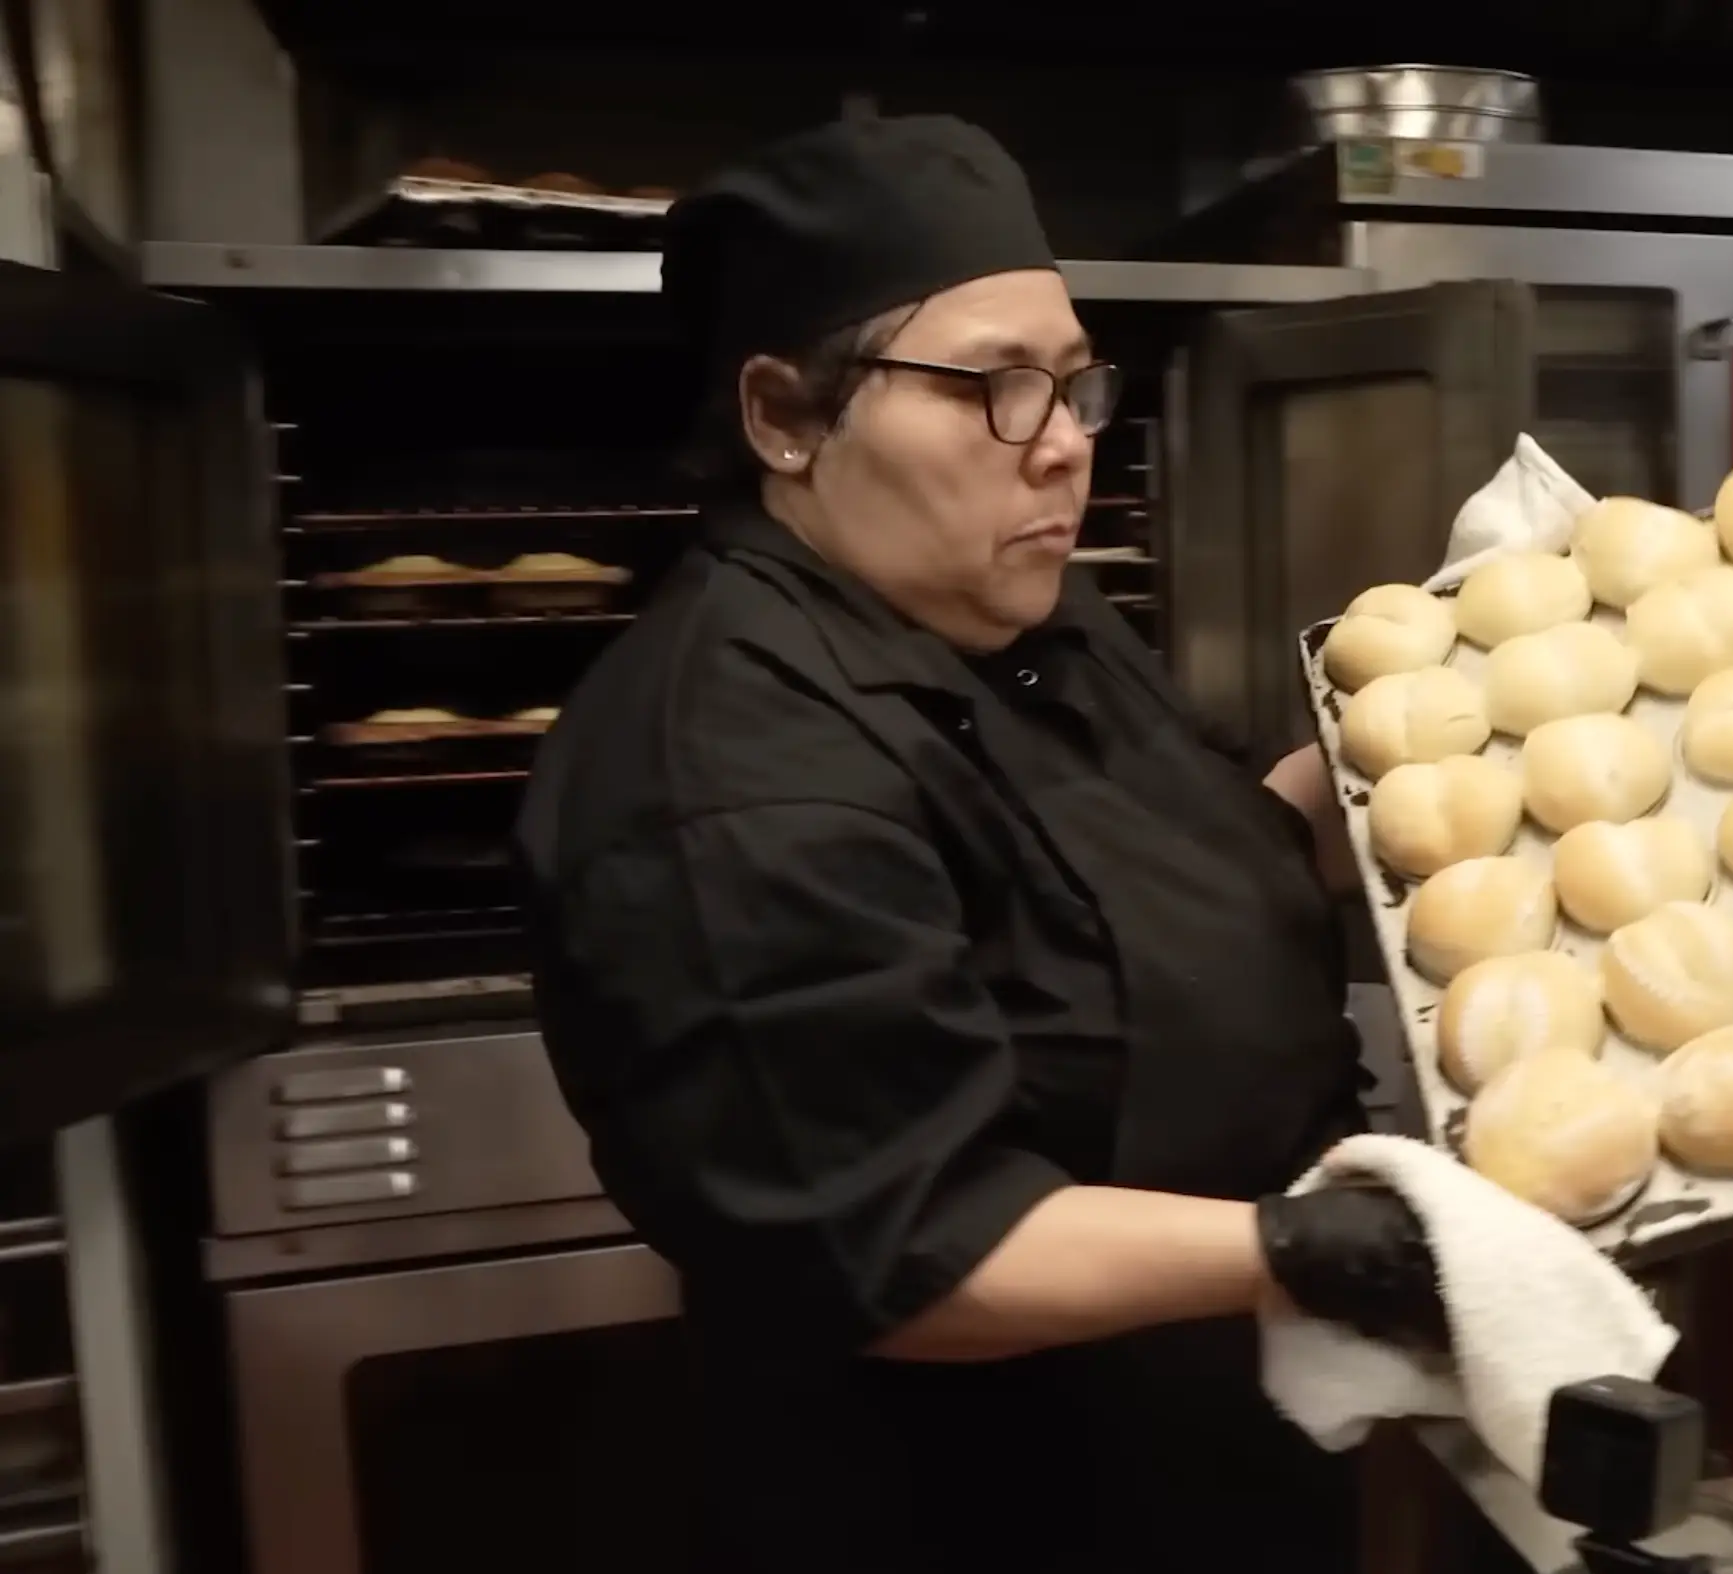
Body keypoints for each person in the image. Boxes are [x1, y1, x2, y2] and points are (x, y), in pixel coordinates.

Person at [514, 116, 1447, 1574]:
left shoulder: (1022, 614)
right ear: (784, 416)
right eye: (993, 388)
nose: (1065, 438)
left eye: (1072, 380)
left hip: (1218, 1458)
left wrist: (1428, 752)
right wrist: (1308, 1247)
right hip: (987, 1505)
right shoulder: (728, 774)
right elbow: (909, 1252)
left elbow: (1179, 871)